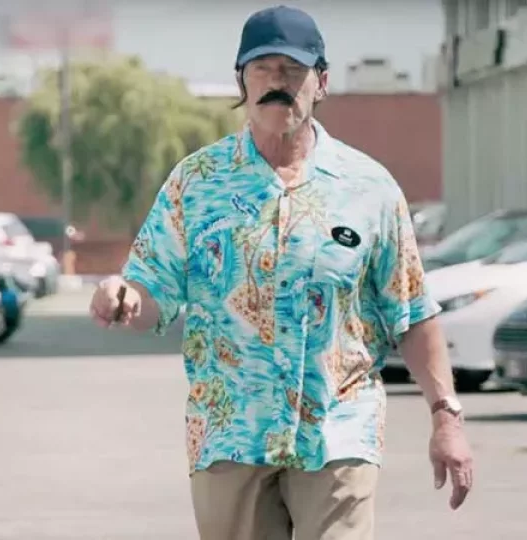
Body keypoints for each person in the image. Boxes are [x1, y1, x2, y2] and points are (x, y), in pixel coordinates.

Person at [89, 5, 473, 539]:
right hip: (230, 434)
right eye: (263, 68)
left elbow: (410, 311)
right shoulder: (196, 183)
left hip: (338, 432)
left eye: (293, 69)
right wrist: (124, 296)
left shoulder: (369, 189)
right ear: (241, 81)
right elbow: (153, 289)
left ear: (321, 82)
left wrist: (446, 417)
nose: (277, 82)